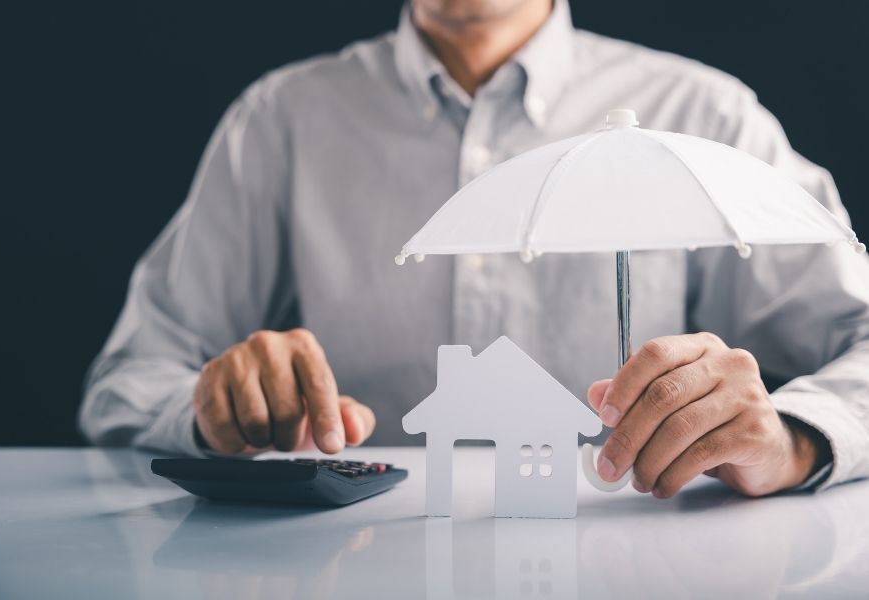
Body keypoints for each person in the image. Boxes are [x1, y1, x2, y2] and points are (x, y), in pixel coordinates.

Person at [80, 0, 869, 499]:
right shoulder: (281, 120)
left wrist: (795, 439)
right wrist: (213, 409)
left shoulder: (707, 114)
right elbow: (129, 378)